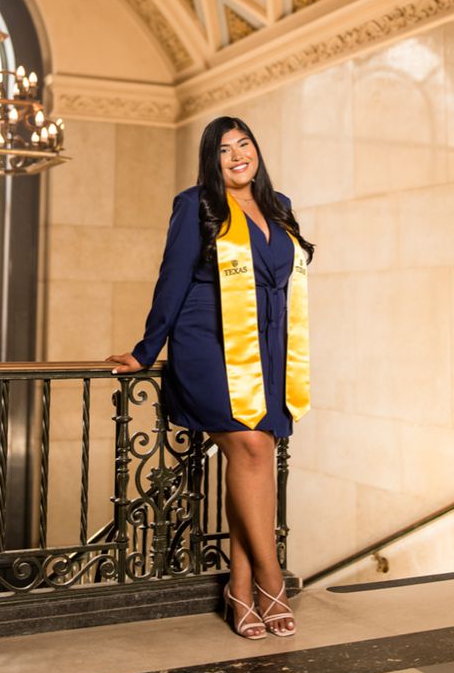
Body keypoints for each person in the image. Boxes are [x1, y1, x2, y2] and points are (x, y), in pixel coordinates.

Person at [106, 115, 314, 640]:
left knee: (254, 455)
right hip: (205, 342)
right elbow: (172, 279)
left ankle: (240, 591)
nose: (237, 155)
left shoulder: (279, 206)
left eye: (245, 143)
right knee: (248, 446)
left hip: (264, 348)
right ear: (211, 159)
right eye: (224, 149)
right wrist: (146, 349)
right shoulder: (195, 204)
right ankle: (272, 578)